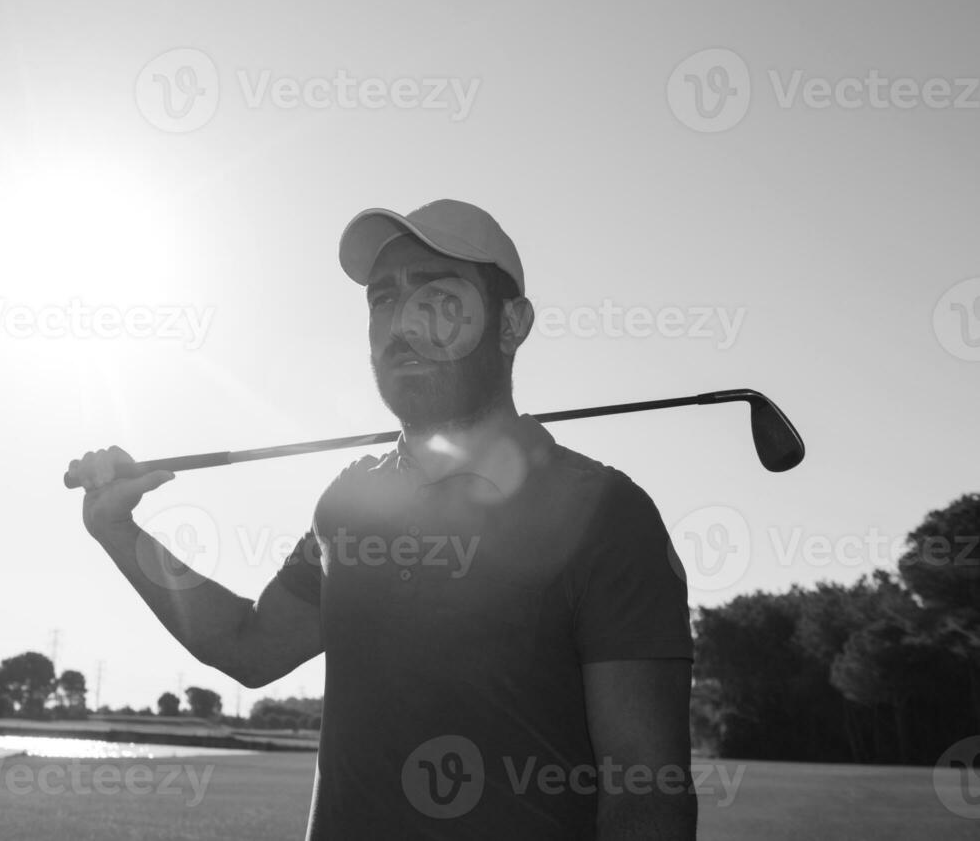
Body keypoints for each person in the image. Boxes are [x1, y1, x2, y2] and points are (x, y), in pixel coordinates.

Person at [68, 200, 696, 839]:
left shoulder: (607, 514)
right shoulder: (349, 504)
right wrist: (119, 532)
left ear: (512, 324)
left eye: (438, 296)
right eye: (382, 300)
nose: (403, 323)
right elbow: (247, 646)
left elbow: (647, 792)